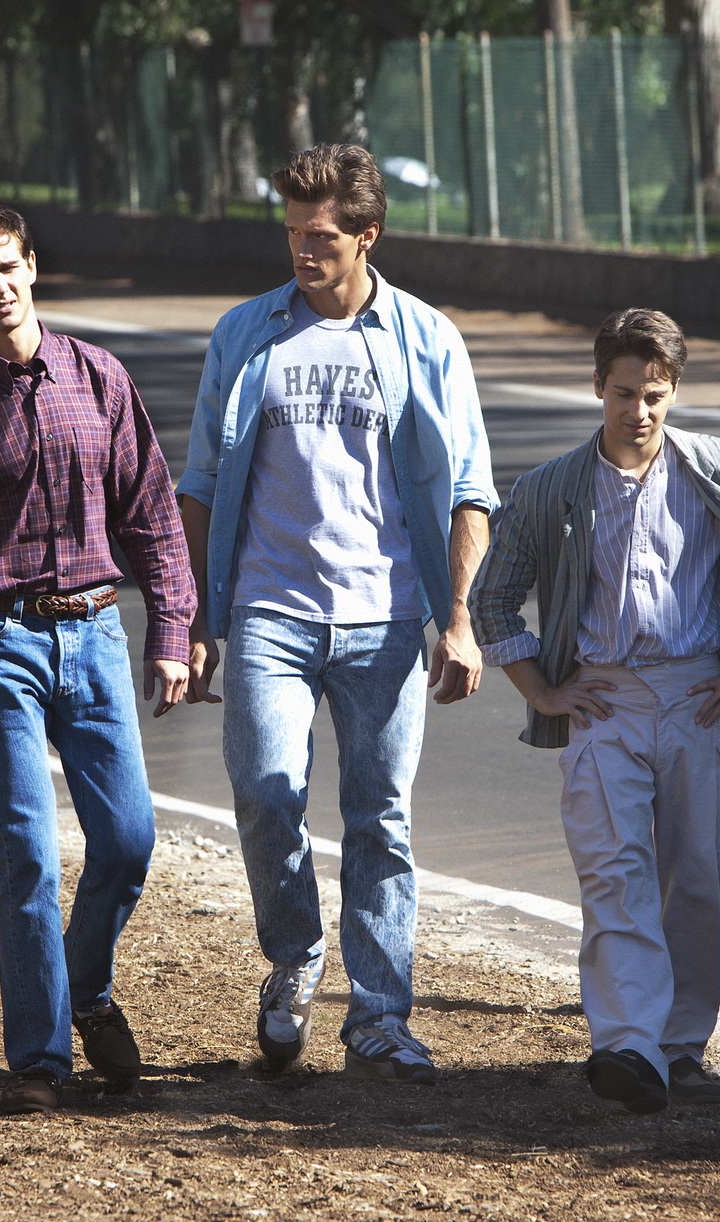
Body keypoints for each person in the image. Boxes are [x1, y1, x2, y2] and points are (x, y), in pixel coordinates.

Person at [179, 144, 495, 1087]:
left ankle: (381, 1018)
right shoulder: (244, 334)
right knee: (266, 792)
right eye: (290, 234)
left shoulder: (426, 338)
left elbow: (470, 489)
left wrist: (461, 617)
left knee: (380, 820)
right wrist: (196, 613)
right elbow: (199, 481)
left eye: (320, 236)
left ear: (367, 235)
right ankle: (295, 954)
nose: (301, 251)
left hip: (388, 615)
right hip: (271, 609)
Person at [468, 308, 720, 1116]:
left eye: (656, 395)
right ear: (598, 386)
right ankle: (627, 1046)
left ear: (675, 391)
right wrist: (547, 693)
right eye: (625, 392)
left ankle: (681, 1046)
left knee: (697, 879)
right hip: (605, 700)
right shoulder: (550, 488)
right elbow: (492, 598)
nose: (640, 412)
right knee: (616, 875)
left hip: (699, 698)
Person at [0, 202, 195, 1116]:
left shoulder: (99, 379)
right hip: (0, 642)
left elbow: (151, 509)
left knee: (130, 842)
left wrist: (172, 629)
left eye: (11, 266)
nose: (1, 285)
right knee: (26, 845)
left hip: (97, 634)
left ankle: (86, 987)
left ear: (33, 267)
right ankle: (40, 1057)